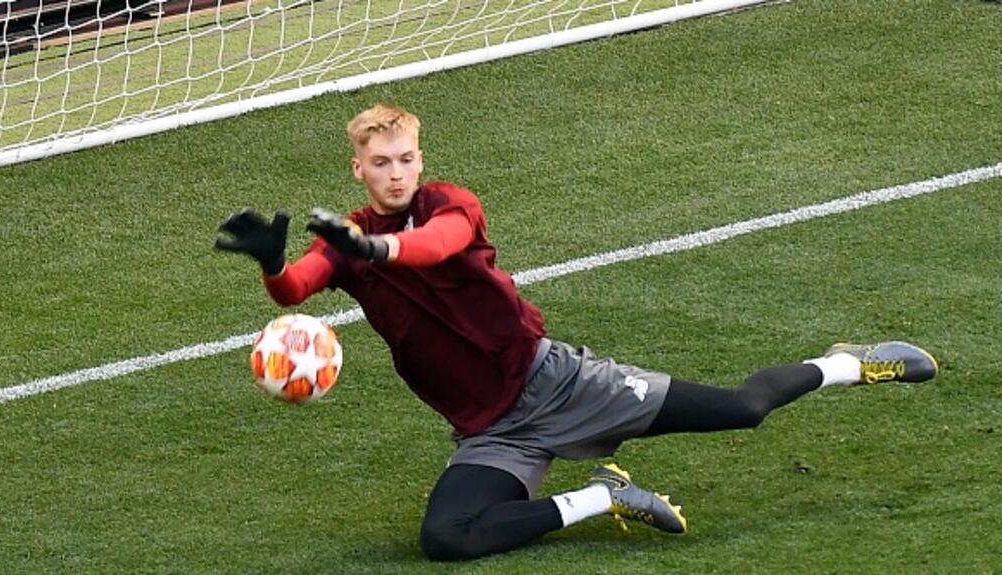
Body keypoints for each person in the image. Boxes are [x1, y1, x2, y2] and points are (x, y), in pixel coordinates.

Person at [215, 103, 938, 561]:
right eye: (381, 163)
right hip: (490, 430)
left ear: (420, 160)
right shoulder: (344, 240)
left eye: (405, 158)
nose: (396, 172)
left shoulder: (450, 205)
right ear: (359, 168)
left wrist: (375, 250)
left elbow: (433, 245)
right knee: (444, 538)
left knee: (740, 409)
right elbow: (295, 290)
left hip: (557, 383)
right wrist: (274, 262)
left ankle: (846, 363)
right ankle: (600, 496)